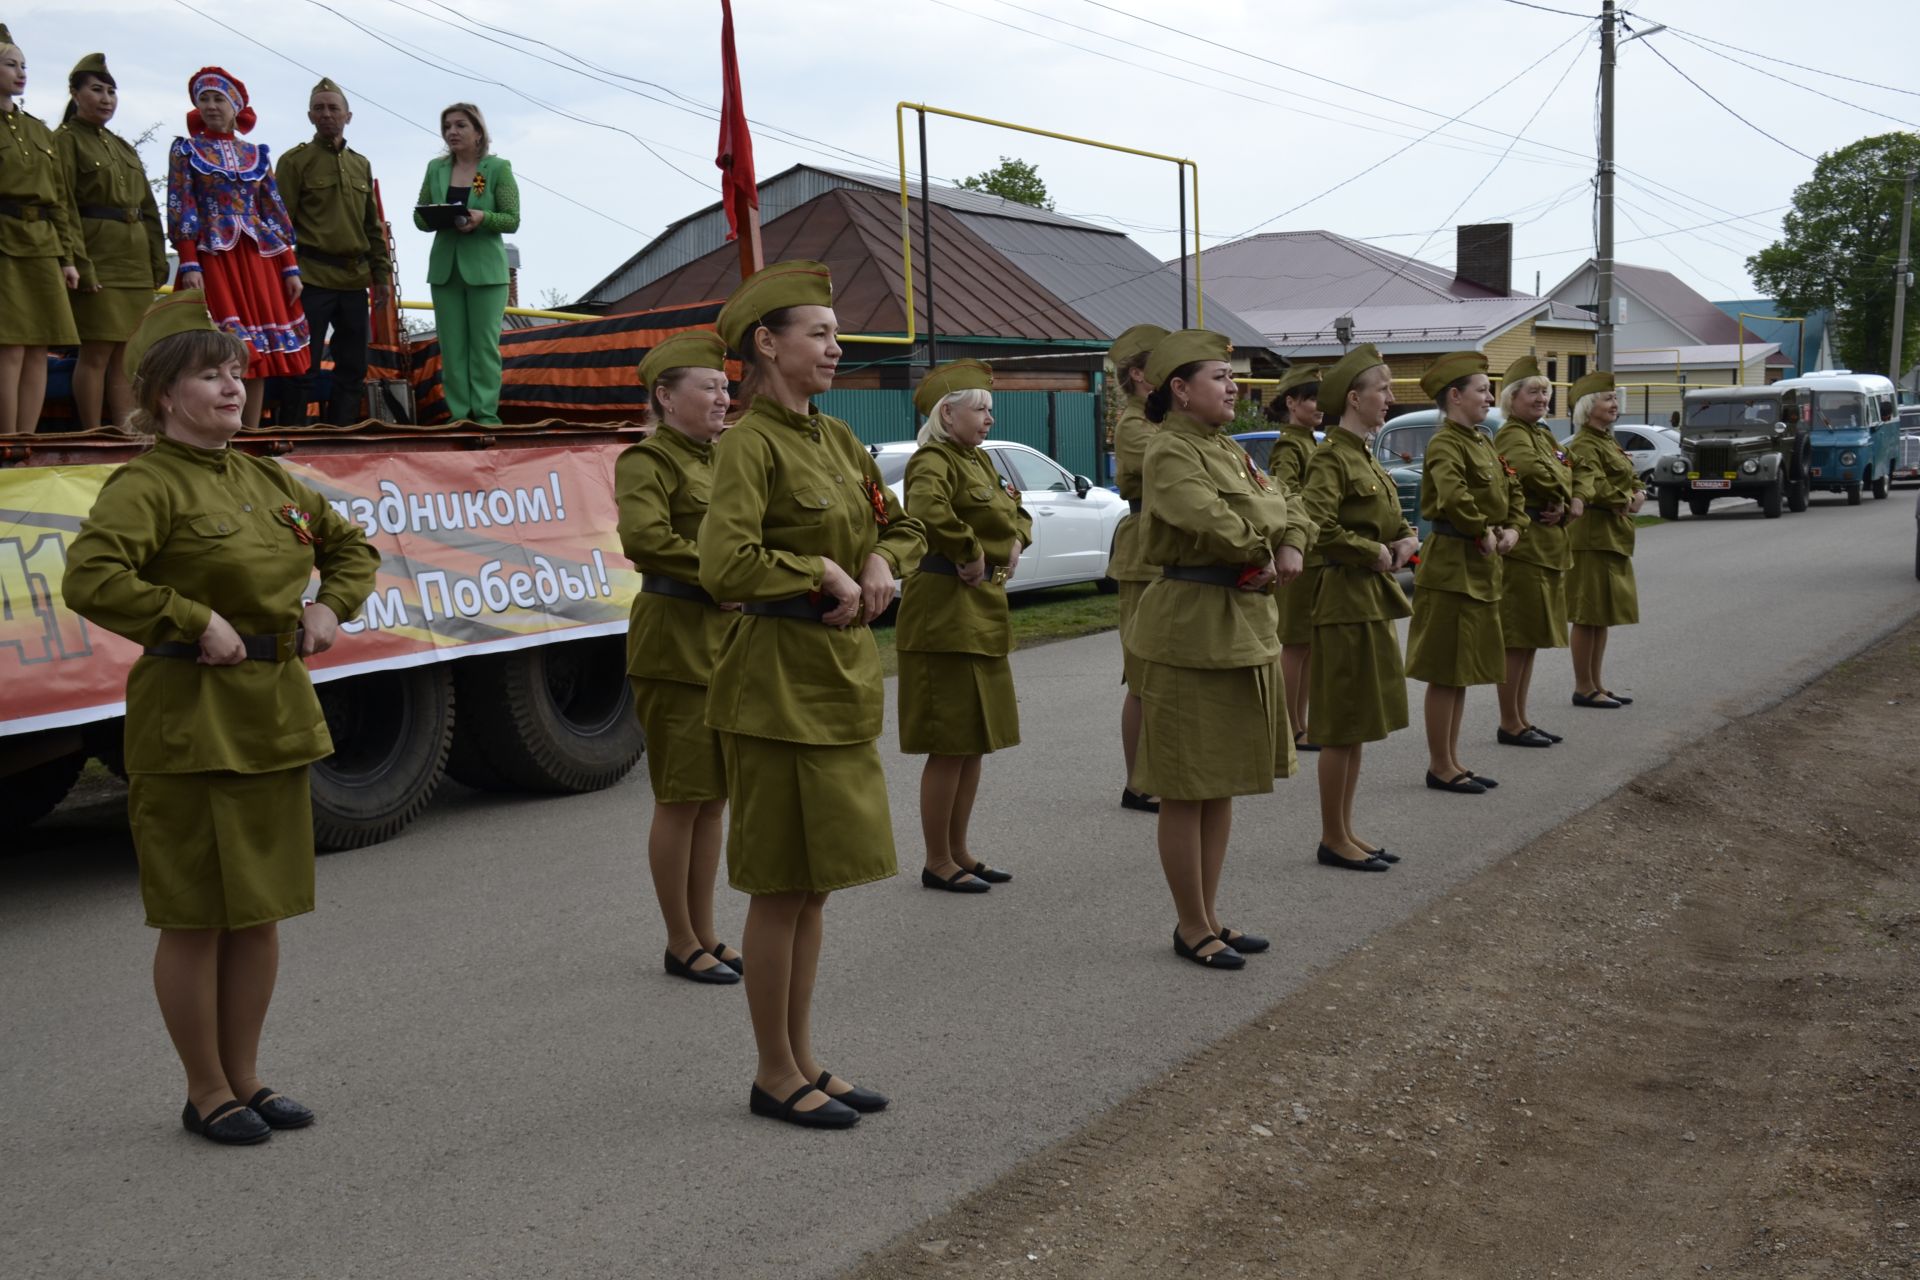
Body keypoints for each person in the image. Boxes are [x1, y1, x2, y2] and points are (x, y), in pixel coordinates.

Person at [61, 291, 378, 1145]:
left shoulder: (263, 475)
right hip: (191, 725)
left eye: (236, 372)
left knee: (260, 912)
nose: (233, 387)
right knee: (197, 915)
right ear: (165, 395)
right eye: (210, 374)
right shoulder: (147, 484)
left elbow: (352, 547)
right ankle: (205, 1090)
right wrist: (192, 619)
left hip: (273, 716)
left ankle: (248, 1075)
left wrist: (330, 607)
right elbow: (92, 579)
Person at [698, 260, 926, 1128]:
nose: (837, 347)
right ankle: (771, 1072)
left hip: (835, 680)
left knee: (817, 886)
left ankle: (804, 1058)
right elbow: (724, 563)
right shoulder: (747, 444)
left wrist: (877, 560)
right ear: (767, 343)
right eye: (819, 333)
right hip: (775, 685)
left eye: (836, 333)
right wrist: (817, 567)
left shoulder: (836, 440)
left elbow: (896, 523)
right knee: (780, 887)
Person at [1125, 328, 1311, 970]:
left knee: (1221, 783)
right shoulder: (1170, 451)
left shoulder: (1230, 449)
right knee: (1186, 786)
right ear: (1179, 389)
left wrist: (1289, 543)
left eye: (1234, 378)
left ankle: (1211, 914)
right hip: (1191, 632)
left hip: (1244, 625)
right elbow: (1213, 520)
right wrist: (1270, 542)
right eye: (1220, 378)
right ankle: (1189, 925)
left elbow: (1291, 507)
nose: (1234, 388)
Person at [616, 329, 742, 986]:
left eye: (725, 387)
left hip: (724, 640)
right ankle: (678, 940)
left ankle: (707, 931)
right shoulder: (648, 461)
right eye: (710, 387)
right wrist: (726, 574)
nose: (724, 397)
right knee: (680, 797)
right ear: (665, 396)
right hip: (676, 642)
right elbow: (647, 539)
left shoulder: (721, 459)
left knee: (712, 799)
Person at [897, 359, 1032, 895]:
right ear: (947, 413)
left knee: (973, 741)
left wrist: (1018, 538)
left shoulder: (977, 461)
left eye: (990, 411)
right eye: (981, 409)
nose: (990, 420)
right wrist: (968, 548)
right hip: (944, 613)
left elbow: (1016, 508)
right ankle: (936, 860)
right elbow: (927, 508)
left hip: (979, 611)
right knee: (949, 743)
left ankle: (960, 851)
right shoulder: (934, 460)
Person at [1299, 345, 1419, 870]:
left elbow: (1395, 519)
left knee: (1361, 724)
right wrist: (1371, 550)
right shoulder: (1331, 457)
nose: (1391, 398)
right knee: (1341, 727)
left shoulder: (1366, 454)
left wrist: (1408, 542)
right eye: (1384, 390)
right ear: (1355, 398)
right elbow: (1315, 525)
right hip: (1345, 600)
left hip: (1370, 600)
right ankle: (1332, 837)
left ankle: (1346, 829)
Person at [1404, 352, 1528, 796]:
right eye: (1481, 389)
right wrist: (1483, 528)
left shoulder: (1481, 440)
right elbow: (1455, 496)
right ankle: (1440, 765)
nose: (1490, 396)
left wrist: (1514, 526)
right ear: (1454, 396)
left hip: (1479, 561)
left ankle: (1453, 760)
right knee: (1446, 671)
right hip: (1452, 563)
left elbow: (1513, 487)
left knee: (1462, 671)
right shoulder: (1445, 443)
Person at [166, 67, 308, 429]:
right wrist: (188, 262)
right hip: (213, 259)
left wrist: (290, 267)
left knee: (256, 351)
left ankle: (250, 433)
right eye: (205, 99)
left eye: (219, 99)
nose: (212, 106)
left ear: (236, 107)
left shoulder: (256, 154)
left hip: (259, 260)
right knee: (218, 348)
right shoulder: (187, 150)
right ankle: (209, 430)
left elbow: (273, 212)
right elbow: (182, 205)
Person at [56, 52, 167, 431]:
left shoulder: (123, 147)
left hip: (134, 259)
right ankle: (90, 431)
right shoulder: (66, 141)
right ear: (75, 94)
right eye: (97, 90)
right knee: (96, 352)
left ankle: (124, 432)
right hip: (98, 256)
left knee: (127, 354)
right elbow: (64, 205)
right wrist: (79, 262)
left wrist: (156, 258)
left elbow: (148, 209)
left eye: (111, 92)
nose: (106, 99)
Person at [275, 78, 391, 426]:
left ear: (348, 116)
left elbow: (373, 227)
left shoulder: (361, 164)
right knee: (303, 367)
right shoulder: (295, 162)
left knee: (353, 367)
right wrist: (286, 274)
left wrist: (381, 276)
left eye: (333, 108)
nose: (327, 114)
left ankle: (344, 438)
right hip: (311, 276)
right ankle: (292, 442)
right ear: (310, 116)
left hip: (355, 280)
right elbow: (280, 226)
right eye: (320, 108)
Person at [0, 26, 83, 436]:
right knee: (9, 348)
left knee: (38, 348)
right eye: (10, 64)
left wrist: (67, 258)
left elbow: (60, 201)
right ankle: (6, 439)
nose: (20, 73)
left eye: (23, 66)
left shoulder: (38, 130)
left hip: (43, 244)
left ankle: (25, 442)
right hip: (4, 243)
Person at [414, 102, 518, 425]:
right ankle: (458, 417)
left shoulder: (497, 168)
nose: (452, 132)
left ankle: (486, 415)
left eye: (460, 125)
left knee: (484, 347)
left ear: (478, 131)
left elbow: (511, 219)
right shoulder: (436, 168)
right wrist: (433, 215)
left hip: (486, 271)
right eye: (447, 127)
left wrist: (482, 217)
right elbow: (419, 215)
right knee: (452, 348)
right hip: (446, 270)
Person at [1492, 355, 1574, 747]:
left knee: (1530, 640)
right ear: (1512, 397)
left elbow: (1567, 468)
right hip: (1526, 546)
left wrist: (1563, 491)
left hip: (1546, 544)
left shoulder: (1541, 433)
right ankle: (1510, 722)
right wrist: (1561, 491)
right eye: (1534, 391)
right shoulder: (1513, 434)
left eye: (1546, 391)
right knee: (1518, 637)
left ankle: (1520, 717)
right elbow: (1533, 472)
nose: (1542, 397)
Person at [1106, 322, 1168, 814]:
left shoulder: (1162, 420)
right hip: (1144, 553)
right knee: (1143, 676)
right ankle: (1137, 783)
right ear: (1140, 375)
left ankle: (1160, 771)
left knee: (1165, 674)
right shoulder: (1134, 426)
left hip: (1165, 552)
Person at [1566, 370, 1642, 708]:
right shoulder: (1583, 443)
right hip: (1591, 537)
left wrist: (1638, 492)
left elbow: (1630, 474)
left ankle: (1597, 683)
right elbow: (1594, 486)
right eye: (1607, 398)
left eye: (1615, 399)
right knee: (1588, 614)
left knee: (1603, 615)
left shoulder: (1607, 439)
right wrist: (1625, 499)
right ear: (1588, 405)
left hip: (1611, 535)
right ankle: (1584, 687)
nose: (1615, 404)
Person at [1263, 363, 1325, 754]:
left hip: (1314, 552)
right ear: (1291, 402)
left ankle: (1300, 723)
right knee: (1295, 643)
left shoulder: (1309, 441)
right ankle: (1290, 726)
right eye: (1313, 398)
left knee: (1307, 643)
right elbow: (1287, 494)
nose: (1321, 405)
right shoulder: (1290, 445)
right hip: (1300, 551)